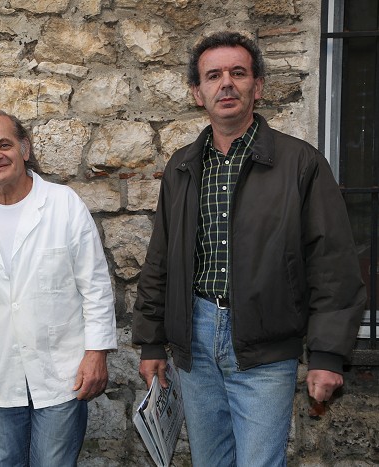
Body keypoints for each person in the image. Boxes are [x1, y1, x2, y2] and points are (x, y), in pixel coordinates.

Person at [132, 31, 365, 466]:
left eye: (238, 73)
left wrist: (328, 353)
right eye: (213, 76)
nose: (226, 84)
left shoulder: (301, 163)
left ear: (257, 87)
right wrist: (151, 343)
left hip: (264, 346)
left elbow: (332, 263)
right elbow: (160, 259)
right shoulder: (182, 166)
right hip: (195, 343)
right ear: (197, 93)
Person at [0, 109, 117, 466]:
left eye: (3, 145)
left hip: (62, 373)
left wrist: (97, 353)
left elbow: (95, 285)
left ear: (25, 148)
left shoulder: (63, 204)